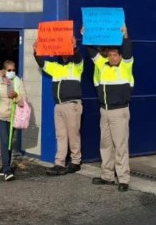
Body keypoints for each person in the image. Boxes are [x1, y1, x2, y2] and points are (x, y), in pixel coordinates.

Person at [88, 26, 133, 192]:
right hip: (104, 111)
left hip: (119, 111)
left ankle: (123, 178)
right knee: (105, 145)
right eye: (110, 54)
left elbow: (128, 50)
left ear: (120, 56)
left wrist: (126, 37)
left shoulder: (126, 66)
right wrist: (88, 34)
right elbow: (92, 51)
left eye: (116, 54)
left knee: (120, 145)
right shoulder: (102, 65)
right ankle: (107, 176)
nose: (113, 57)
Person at [33, 37, 83, 176]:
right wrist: (36, 51)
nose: (65, 54)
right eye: (63, 52)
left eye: (67, 52)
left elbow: (78, 58)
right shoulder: (55, 67)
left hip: (72, 105)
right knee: (60, 135)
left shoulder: (77, 66)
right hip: (59, 106)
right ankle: (59, 163)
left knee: (73, 135)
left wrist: (74, 47)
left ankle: (75, 161)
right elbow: (42, 63)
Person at [0, 60, 23, 181]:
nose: (12, 72)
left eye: (13, 70)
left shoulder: (18, 82)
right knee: (5, 140)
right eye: (9, 70)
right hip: (0, 116)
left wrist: (16, 96)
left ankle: (3, 166)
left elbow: (23, 101)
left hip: (12, 117)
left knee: (9, 142)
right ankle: (7, 169)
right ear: (4, 71)